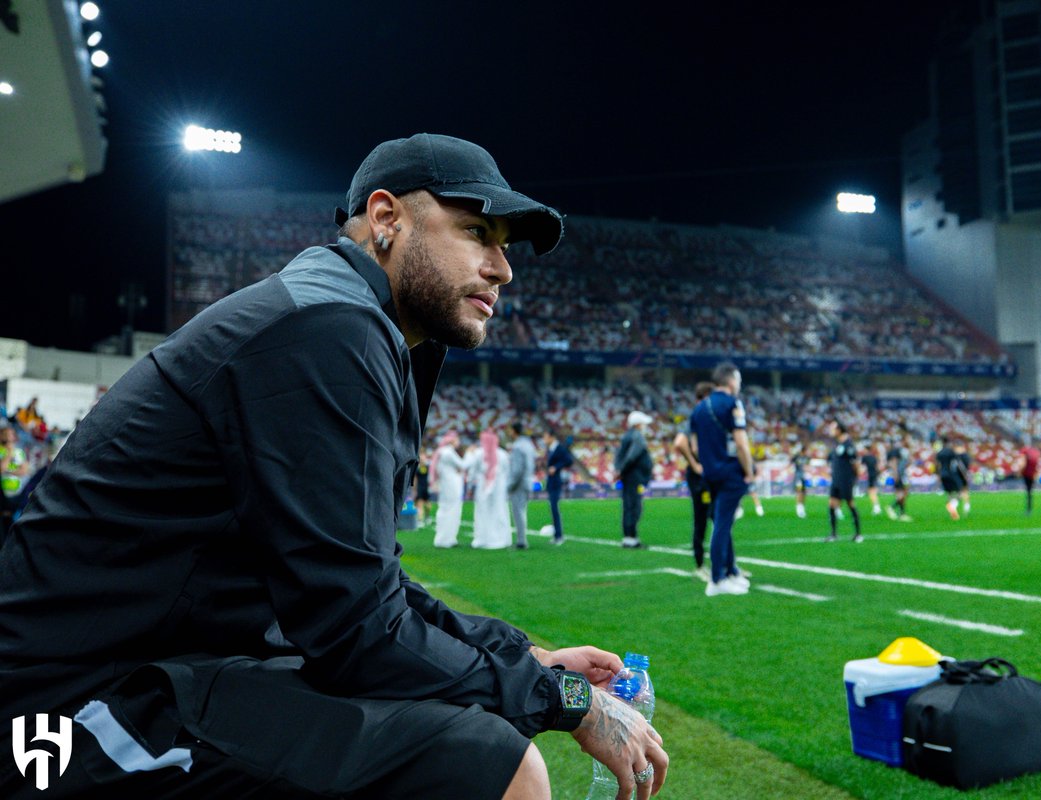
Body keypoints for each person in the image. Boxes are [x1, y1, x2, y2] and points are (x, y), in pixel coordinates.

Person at [0, 133, 667, 800]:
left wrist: (522, 657)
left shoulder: (341, 317)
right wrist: (566, 699)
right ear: (386, 219)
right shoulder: (329, 329)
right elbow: (358, 633)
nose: (502, 267)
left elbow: (366, 584)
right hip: (63, 715)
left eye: (503, 245)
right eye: (475, 231)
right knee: (489, 763)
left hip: (155, 669)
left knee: (463, 731)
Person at [690, 362, 754, 596]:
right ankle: (718, 578)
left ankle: (730, 571)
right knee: (723, 524)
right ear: (731, 381)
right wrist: (749, 471)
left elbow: (696, 447)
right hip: (729, 472)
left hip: (710, 473)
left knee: (722, 522)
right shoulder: (732, 403)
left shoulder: (699, 408)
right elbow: (741, 443)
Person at [673, 381, 713, 580]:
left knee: (717, 518)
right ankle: (700, 565)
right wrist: (695, 464)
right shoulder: (696, 417)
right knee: (703, 520)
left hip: (707, 474)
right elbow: (680, 442)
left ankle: (727, 564)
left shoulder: (702, 417)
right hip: (700, 477)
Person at [466, 428, 512, 549]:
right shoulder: (502, 454)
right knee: (496, 511)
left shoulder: (478, 453)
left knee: (486, 512)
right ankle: (497, 538)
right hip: (495, 487)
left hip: (488, 487)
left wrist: (470, 485)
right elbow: (507, 472)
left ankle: (484, 538)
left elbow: (472, 472)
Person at [614, 410, 654, 548]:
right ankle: (632, 538)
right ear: (638, 424)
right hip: (634, 477)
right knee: (634, 506)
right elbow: (632, 456)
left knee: (628, 506)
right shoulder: (637, 437)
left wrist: (619, 470)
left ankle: (628, 537)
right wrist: (622, 470)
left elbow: (619, 455)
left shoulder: (627, 436)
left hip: (629, 476)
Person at [825, 419, 863, 543]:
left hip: (845, 480)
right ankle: (833, 534)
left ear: (839, 430)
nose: (830, 431)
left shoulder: (848, 444)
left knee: (850, 504)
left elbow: (855, 462)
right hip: (836, 479)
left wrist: (854, 479)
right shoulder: (837, 444)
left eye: (832, 428)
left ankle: (858, 534)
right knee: (831, 504)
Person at [431, 430, 468, 548]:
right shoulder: (448, 452)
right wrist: (470, 454)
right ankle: (447, 539)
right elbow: (463, 465)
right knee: (452, 510)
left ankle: (446, 538)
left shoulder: (441, 452)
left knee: (446, 509)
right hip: (451, 485)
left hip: (446, 484)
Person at [507, 421, 537, 549]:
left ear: (514, 431)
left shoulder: (518, 446)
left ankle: (521, 541)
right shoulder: (529, 445)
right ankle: (522, 539)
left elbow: (517, 469)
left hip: (519, 483)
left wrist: (510, 484)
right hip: (527, 481)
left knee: (518, 512)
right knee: (522, 511)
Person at [543, 429, 574, 545]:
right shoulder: (550, 449)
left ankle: (559, 536)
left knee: (554, 508)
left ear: (551, 437)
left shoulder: (559, 448)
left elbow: (569, 461)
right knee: (552, 508)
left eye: (545, 436)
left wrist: (556, 467)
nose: (544, 439)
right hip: (551, 481)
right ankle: (556, 535)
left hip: (556, 481)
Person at [936, 436, 967, 520]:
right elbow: (958, 464)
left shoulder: (939, 453)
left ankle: (953, 513)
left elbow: (938, 466)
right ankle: (952, 505)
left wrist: (938, 477)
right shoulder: (951, 452)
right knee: (960, 491)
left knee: (949, 493)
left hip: (942, 474)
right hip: (951, 474)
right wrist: (964, 474)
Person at [885, 439, 913, 521]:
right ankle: (891, 507)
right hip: (899, 475)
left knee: (900, 494)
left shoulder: (895, 451)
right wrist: (896, 474)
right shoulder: (896, 451)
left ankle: (902, 514)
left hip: (900, 474)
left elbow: (906, 463)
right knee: (904, 493)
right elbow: (894, 463)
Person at [1017, 436, 1041, 515]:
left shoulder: (1024, 450)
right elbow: (1037, 464)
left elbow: (1022, 462)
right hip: (1032, 474)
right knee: (1029, 492)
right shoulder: (1036, 451)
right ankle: (1029, 509)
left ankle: (1028, 509)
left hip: (1026, 473)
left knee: (1028, 491)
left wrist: (1019, 471)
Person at [861, 441, 882, 515]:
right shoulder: (874, 457)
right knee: (872, 490)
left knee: (871, 491)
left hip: (870, 475)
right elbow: (878, 467)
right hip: (874, 475)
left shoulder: (865, 457)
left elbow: (862, 468)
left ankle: (876, 507)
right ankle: (876, 507)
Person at [414, 448, 432, 525]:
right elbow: (415, 478)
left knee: (428, 504)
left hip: (427, 487)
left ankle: (427, 517)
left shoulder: (428, 465)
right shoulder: (417, 467)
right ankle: (420, 520)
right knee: (419, 503)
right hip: (420, 487)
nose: (422, 457)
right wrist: (414, 489)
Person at [790, 444, 809, 519]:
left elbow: (807, 466)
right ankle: (798, 508)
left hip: (804, 476)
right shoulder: (796, 457)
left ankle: (802, 507)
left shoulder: (807, 458)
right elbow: (791, 461)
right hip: (798, 476)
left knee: (804, 492)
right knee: (799, 491)